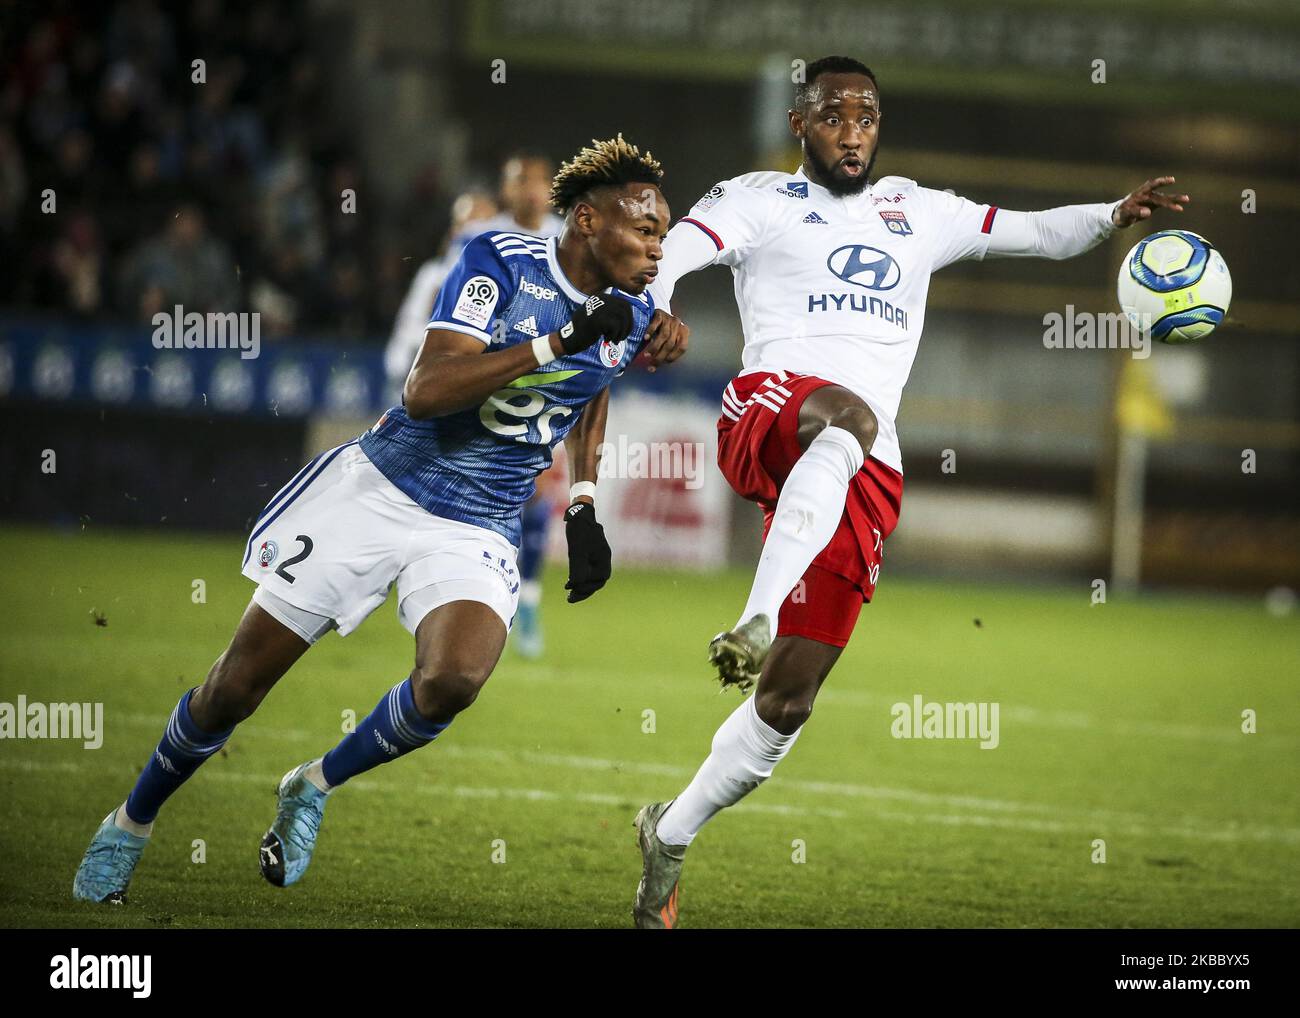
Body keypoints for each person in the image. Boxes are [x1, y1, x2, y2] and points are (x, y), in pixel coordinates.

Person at [631, 56, 1189, 928]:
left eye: (867, 116)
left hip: (867, 466)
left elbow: (1038, 233)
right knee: (844, 417)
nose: (852, 129)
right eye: (833, 113)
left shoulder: (919, 212)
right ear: (799, 124)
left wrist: (1114, 216)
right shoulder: (757, 198)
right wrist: (657, 305)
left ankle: (669, 832)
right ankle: (758, 612)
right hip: (773, 409)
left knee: (786, 702)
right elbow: (676, 254)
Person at [72, 135, 689, 904]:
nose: (660, 247)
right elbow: (427, 391)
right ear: (589, 221)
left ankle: (314, 784)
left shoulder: (635, 313)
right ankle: (131, 821)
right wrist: (556, 339)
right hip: (385, 487)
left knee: (453, 681)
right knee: (235, 688)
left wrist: (587, 503)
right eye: (646, 228)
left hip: (479, 521)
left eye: (664, 231)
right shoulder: (497, 258)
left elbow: (595, 387)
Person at [385, 153, 568, 658]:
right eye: (518, 182)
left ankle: (524, 597)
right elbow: (445, 303)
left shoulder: (567, 236)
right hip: (477, 381)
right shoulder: (484, 239)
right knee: (430, 488)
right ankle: (430, 587)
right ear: (506, 190)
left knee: (536, 497)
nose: (528, 191)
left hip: (542, 388)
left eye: (536, 181)